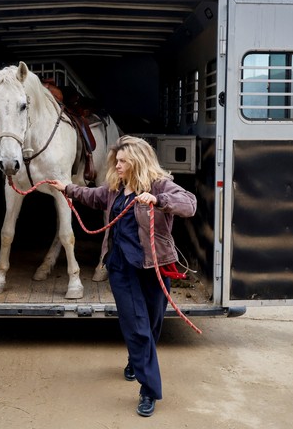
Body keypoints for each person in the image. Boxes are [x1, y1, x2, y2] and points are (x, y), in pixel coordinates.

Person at [49, 135, 197, 417]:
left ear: (137, 162)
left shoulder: (159, 185)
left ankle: (135, 359)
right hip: (120, 267)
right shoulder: (115, 189)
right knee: (138, 326)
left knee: (152, 324)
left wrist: (158, 200)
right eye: (116, 161)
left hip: (154, 266)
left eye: (122, 162)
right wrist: (66, 188)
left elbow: (188, 204)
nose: (116, 166)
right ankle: (149, 389)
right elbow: (91, 196)